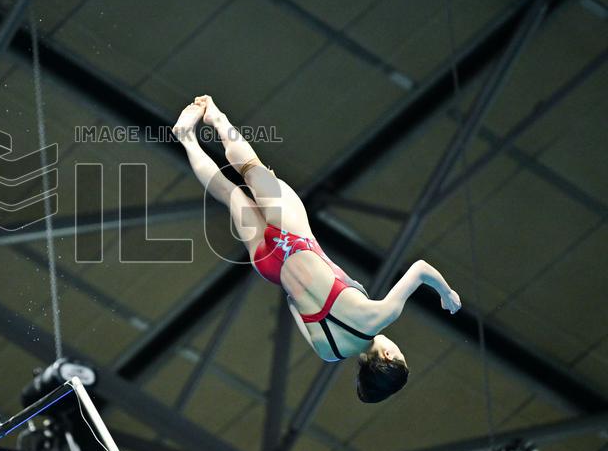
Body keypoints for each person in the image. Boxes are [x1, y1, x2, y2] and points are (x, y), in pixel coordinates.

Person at [173, 96, 461, 402]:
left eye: (399, 352)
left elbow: (420, 270)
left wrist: (446, 293)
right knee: (231, 194)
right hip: (271, 266)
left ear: (388, 356)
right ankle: (187, 139)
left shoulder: (378, 316)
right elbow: (293, 305)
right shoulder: (328, 351)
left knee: (251, 170)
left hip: (293, 238)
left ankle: (216, 118)